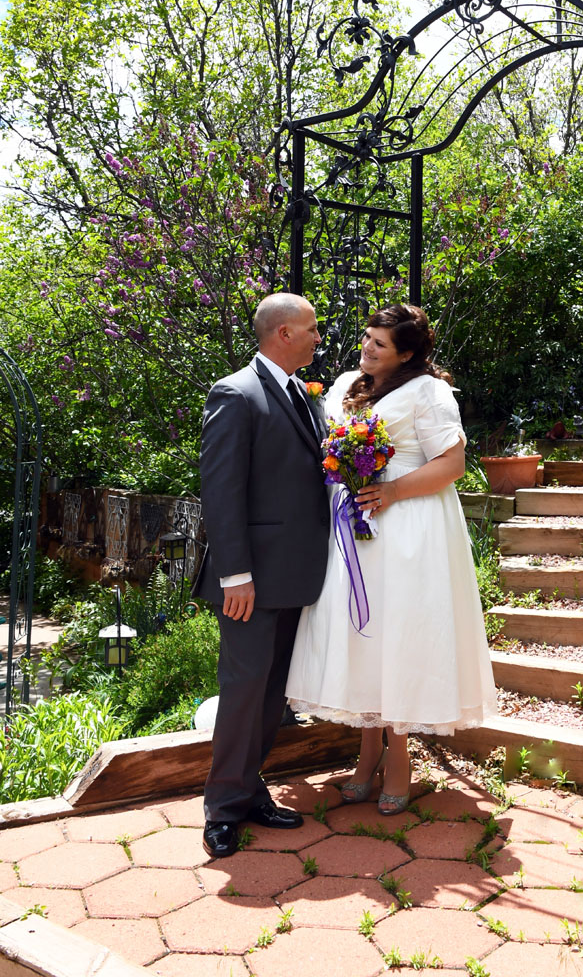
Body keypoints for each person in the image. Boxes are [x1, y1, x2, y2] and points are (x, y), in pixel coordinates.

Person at [286, 304, 496, 814]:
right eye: (366, 338)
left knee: (401, 634)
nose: (366, 348)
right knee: (366, 637)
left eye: (379, 344)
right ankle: (367, 750)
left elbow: (453, 463)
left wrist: (392, 491)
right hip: (353, 530)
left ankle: (399, 758)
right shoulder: (343, 385)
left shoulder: (429, 392)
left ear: (406, 352)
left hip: (410, 527)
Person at [192, 292, 330, 858]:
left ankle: (251, 793)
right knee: (244, 691)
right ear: (283, 335)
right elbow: (221, 492)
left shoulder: (303, 393)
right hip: (250, 581)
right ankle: (221, 810)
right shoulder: (235, 393)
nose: (319, 338)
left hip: (296, 574)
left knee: (274, 694)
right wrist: (236, 575)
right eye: (312, 330)